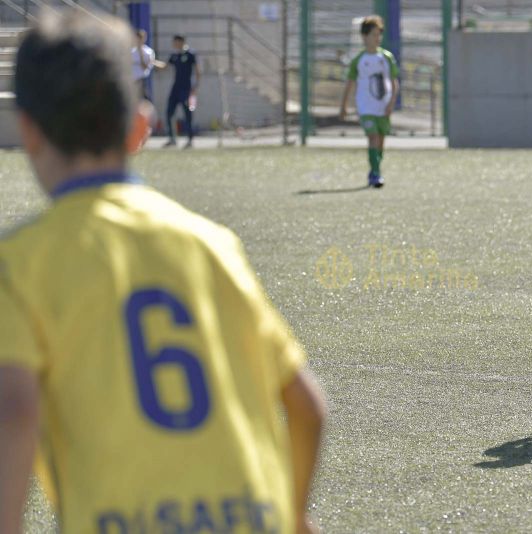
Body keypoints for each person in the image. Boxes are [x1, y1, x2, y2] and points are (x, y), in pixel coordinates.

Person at [1, 11, 325, 533]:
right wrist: (294, 514)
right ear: (139, 129)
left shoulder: (20, 263)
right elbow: (307, 407)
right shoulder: (211, 243)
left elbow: (13, 415)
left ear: (30, 133)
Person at [339, 15, 399, 188]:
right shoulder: (358, 60)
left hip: (383, 105)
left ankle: (375, 167)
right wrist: (343, 106)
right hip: (366, 106)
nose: (377, 38)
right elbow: (349, 83)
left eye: (379, 34)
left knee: (380, 140)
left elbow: (394, 82)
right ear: (364, 36)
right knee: (372, 137)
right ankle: (375, 174)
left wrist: (391, 103)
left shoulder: (386, 57)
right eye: (374, 34)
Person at [160, 34, 200, 148]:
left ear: (181, 42)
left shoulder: (190, 54)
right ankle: (172, 139)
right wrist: (151, 61)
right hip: (175, 88)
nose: (173, 45)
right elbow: (164, 67)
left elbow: (197, 71)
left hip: (187, 88)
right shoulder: (174, 55)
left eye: (175, 42)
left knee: (188, 114)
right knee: (169, 112)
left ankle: (190, 140)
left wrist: (195, 87)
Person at [131, 29, 163, 101]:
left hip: (142, 79)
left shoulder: (148, 52)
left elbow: (145, 67)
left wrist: (141, 53)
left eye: (140, 38)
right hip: (132, 79)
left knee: (145, 99)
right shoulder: (131, 51)